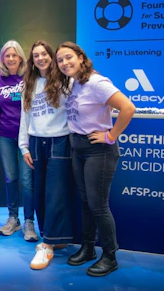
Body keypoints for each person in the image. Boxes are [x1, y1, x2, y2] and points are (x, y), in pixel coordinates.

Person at [55, 41, 135, 277]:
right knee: (85, 201)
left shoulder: (96, 82)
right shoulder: (72, 82)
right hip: (77, 146)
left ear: (81, 57)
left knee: (98, 205)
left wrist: (111, 136)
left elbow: (128, 108)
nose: (64, 63)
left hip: (97, 150)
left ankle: (110, 256)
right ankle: (88, 248)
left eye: (68, 57)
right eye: (60, 60)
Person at [18, 40, 74, 270]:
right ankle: (51, 236)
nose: (40, 58)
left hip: (59, 141)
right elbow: (26, 116)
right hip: (36, 142)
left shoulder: (64, 80)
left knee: (56, 192)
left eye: (44, 54)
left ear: (51, 56)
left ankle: (48, 244)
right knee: (40, 192)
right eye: (36, 55)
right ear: (32, 60)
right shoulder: (29, 83)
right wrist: (24, 146)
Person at [0, 40, 39, 241]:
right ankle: (13, 218)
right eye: (6, 55)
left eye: (14, 55)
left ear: (20, 57)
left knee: (28, 181)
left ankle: (29, 221)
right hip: (4, 135)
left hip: (27, 137)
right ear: (2, 58)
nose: (10, 59)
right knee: (11, 178)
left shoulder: (29, 78)